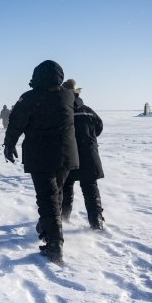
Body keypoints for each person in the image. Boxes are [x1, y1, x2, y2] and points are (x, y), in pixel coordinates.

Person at [3, 60, 79, 265]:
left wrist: (9, 145)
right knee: (57, 193)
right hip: (66, 154)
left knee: (47, 198)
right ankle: (50, 227)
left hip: (42, 154)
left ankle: (55, 244)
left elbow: (16, 123)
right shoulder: (68, 96)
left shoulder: (30, 97)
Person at [61, 79, 106, 231]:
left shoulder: (63, 110)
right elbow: (99, 127)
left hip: (69, 155)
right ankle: (97, 222)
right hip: (89, 154)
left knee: (66, 186)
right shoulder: (88, 110)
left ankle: (63, 218)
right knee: (91, 188)